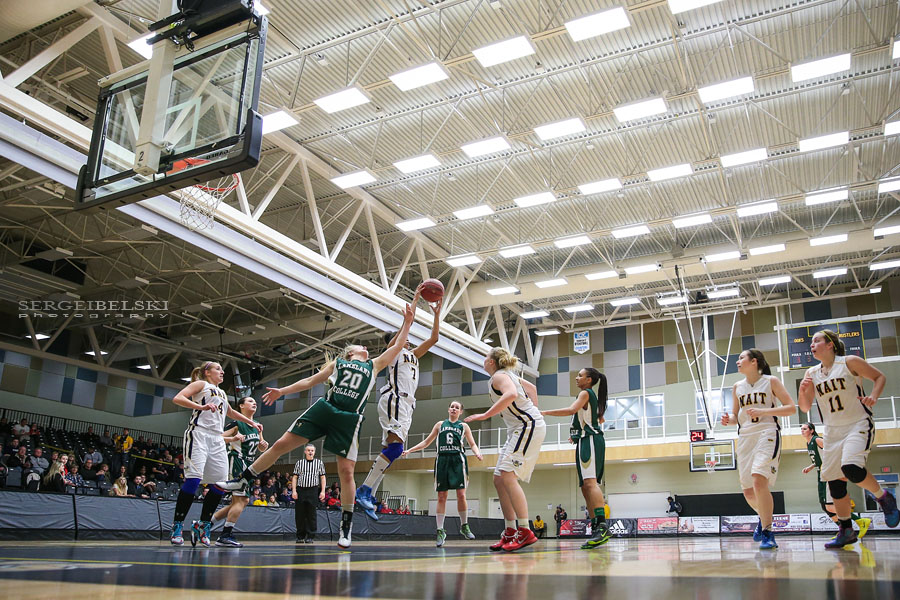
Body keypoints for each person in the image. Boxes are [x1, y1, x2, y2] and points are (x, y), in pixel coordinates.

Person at [218, 299, 417, 549]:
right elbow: (310, 381)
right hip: (325, 409)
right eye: (360, 346)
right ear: (350, 353)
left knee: (345, 472)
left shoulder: (374, 365)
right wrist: (282, 391)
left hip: (348, 418)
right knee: (281, 444)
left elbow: (398, 345)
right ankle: (244, 479)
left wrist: (407, 322)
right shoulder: (338, 364)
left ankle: (346, 527)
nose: (366, 346)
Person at [798, 329, 899, 548]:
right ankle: (846, 530)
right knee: (835, 484)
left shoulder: (849, 362)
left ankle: (884, 497)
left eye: (816, 341)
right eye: (811, 343)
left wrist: (873, 396)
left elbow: (879, 376)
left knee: (851, 468)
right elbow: (805, 406)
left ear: (830, 344)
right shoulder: (812, 372)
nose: (812, 345)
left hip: (857, 423)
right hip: (832, 430)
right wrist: (802, 389)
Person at [356, 285, 442, 520]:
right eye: (399, 337)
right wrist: (415, 298)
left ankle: (368, 493)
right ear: (391, 342)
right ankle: (364, 490)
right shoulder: (393, 351)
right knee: (396, 449)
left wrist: (436, 314)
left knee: (390, 451)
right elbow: (408, 324)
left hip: (407, 406)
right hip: (394, 399)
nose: (405, 338)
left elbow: (434, 338)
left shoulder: (413, 354)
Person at [168, 361, 263, 548]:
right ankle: (177, 526)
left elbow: (231, 413)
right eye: (218, 369)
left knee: (220, 484)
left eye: (222, 369)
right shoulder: (201, 384)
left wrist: (251, 423)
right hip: (199, 433)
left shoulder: (221, 393)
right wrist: (201, 408)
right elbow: (178, 398)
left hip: (217, 439)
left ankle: (203, 526)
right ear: (207, 372)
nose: (222, 372)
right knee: (194, 480)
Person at [465, 348, 546, 552]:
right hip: (522, 426)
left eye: (485, 357)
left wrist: (484, 416)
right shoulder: (510, 375)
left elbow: (510, 394)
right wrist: (534, 410)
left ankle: (525, 530)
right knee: (499, 478)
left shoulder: (499, 377)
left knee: (508, 476)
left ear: (492, 362)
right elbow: (533, 390)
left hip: (526, 426)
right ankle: (510, 530)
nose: (483, 361)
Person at [721, 348, 796, 550]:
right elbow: (737, 417)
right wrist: (729, 420)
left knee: (758, 479)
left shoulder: (771, 381)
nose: (737, 361)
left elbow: (791, 407)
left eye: (741, 357)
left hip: (767, 432)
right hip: (745, 436)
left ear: (754, 361)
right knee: (747, 491)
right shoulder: (737, 386)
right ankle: (763, 520)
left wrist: (764, 411)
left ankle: (768, 531)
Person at [404, 400, 483, 546]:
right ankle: (440, 530)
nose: (454, 409)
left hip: (458, 460)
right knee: (441, 496)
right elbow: (426, 442)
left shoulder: (464, 426)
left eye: (457, 407)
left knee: (461, 494)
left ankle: (464, 525)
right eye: (452, 406)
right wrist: (410, 450)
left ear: (461, 412)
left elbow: (472, 443)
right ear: (448, 410)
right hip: (442, 460)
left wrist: (477, 453)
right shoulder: (440, 425)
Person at [209, 396, 268, 548]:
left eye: (255, 402)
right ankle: (225, 535)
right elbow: (218, 438)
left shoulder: (257, 426)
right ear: (241, 406)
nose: (254, 403)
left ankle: (206, 524)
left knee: (243, 501)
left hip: (249, 465)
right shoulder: (237, 423)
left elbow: (260, 448)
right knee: (241, 500)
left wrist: (263, 445)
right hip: (236, 461)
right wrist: (234, 437)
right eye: (250, 401)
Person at [800, 422, 871, 539]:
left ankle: (860, 521)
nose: (802, 431)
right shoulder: (808, 443)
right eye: (801, 429)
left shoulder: (817, 440)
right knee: (824, 506)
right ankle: (842, 530)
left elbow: (832, 451)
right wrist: (811, 466)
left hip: (827, 474)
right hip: (820, 474)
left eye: (804, 429)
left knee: (829, 506)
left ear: (811, 430)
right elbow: (819, 458)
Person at [292, 443, 326, 544]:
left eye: (312, 450)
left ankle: (310, 536)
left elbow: (322, 477)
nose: (310, 452)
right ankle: (300, 536)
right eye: (308, 450)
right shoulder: (299, 463)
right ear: (305, 452)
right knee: (300, 514)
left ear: (314, 452)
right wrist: (294, 490)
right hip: (301, 490)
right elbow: (295, 477)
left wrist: (323, 491)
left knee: (312, 514)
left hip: (313, 490)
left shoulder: (319, 463)